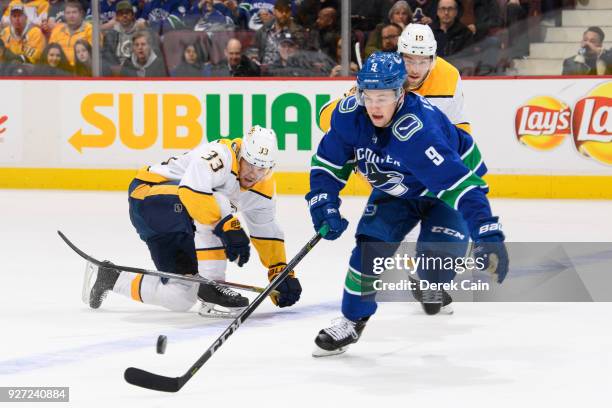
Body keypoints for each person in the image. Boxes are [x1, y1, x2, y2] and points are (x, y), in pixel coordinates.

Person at [306, 52, 508, 357]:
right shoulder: (349, 115)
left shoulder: (419, 132)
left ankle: (427, 278)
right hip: (397, 189)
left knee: (435, 269)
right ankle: (352, 320)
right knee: (368, 249)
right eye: (368, 96)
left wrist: (486, 233)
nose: (374, 106)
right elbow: (328, 164)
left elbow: (460, 186)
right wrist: (323, 203)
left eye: (383, 97)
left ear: (401, 93)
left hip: (443, 192)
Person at [84, 126, 302, 317]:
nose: (254, 174)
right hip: (148, 198)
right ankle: (213, 284)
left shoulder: (263, 187)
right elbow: (192, 191)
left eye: (262, 168)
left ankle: (111, 277)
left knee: (181, 296)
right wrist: (226, 224)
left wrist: (279, 271)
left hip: (178, 225)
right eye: (251, 164)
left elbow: (266, 229)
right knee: (218, 200)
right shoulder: (220, 155)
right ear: (240, 153)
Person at [48, 0, 92, 66]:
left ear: (81, 13)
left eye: (74, 12)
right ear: (64, 15)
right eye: (68, 13)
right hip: (59, 67)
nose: (71, 16)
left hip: (81, 69)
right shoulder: (57, 30)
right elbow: (49, 52)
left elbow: (92, 55)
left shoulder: (90, 29)